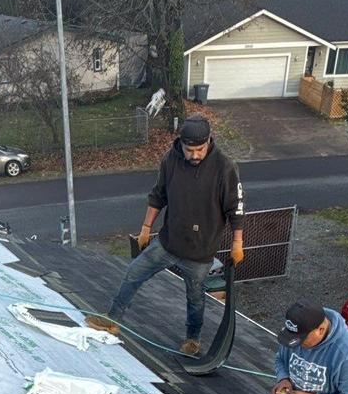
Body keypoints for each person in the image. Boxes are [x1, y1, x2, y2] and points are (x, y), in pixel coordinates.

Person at [87, 115, 244, 355]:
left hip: (200, 251)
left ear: (209, 141)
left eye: (200, 150)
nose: (194, 155)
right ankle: (112, 319)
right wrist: (146, 227)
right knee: (133, 272)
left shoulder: (225, 167)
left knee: (195, 298)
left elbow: (236, 208)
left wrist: (237, 243)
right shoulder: (171, 159)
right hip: (169, 242)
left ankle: (192, 339)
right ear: (181, 143)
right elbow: (158, 195)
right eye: (189, 150)